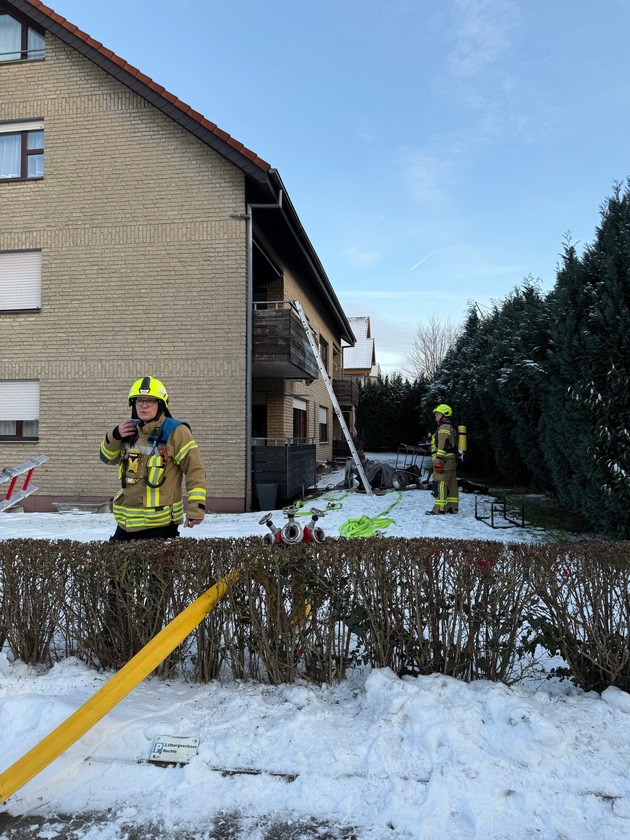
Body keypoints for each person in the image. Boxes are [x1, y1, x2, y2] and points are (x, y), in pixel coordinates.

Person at [100, 376, 206, 540]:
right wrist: (114, 435)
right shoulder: (129, 431)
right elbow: (108, 458)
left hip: (160, 524)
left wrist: (196, 508)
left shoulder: (176, 431)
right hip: (126, 524)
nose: (144, 405)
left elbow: (195, 471)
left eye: (150, 401)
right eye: (139, 401)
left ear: (160, 404)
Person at [426, 403, 459, 515]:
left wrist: (438, 461)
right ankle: (452, 507)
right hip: (451, 461)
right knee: (452, 484)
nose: (435, 416)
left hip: (444, 461)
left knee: (440, 483)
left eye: (438, 413)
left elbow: (442, 446)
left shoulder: (444, 427)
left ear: (444, 414)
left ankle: (439, 509)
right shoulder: (450, 427)